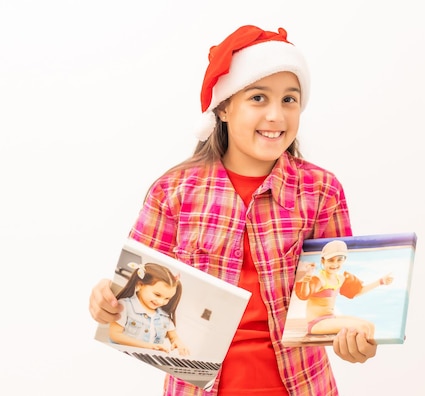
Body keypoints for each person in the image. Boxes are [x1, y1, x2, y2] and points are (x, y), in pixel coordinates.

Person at [89, 25, 377, 395]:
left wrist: (355, 338)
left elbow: (334, 300)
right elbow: (130, 291)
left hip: (302, 387)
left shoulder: (322, 191)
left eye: (289, 100)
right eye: (258, 98)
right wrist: (105, 302)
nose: (276, 115)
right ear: (223, 108)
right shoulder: (173, 192)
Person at [294, 240, 394, 339]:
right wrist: (307, 277)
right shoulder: (319, 279)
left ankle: (366, 352)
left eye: (339, 260)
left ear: (344, 260)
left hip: (330, 318)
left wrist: (380, 282)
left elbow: (357, 292)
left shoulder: (340, 278)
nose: (335, 264)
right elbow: (304, 294)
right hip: (316, 323)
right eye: (331, 260)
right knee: (363, 327)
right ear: (323, 261)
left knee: (370, 325)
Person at [109, 262, 189, 355]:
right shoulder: (125, 306)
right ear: (140, 285)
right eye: (157, 295)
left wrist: (178, 342)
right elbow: (115, 335)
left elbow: (173, 337)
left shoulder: (164, 316)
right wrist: (148, 346)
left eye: (167, 298)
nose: (161, 301)